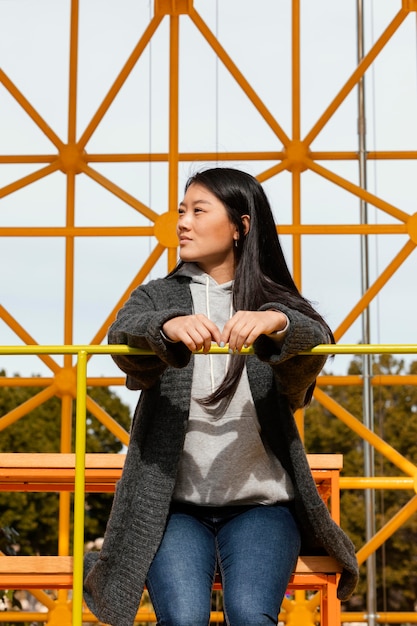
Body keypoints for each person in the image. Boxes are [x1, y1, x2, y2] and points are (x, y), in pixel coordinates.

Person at [83, 167, 358, 626]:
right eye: (180, 212)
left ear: (240, 226)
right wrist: (165, 326)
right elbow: (122, 339)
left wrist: (279, 323)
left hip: (263, 508)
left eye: (198, 210)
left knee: (251, 615)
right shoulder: (156, 296)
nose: (182, 223)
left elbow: (312, 350)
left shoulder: (274, 300)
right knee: (184, 619)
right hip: (173, 509)